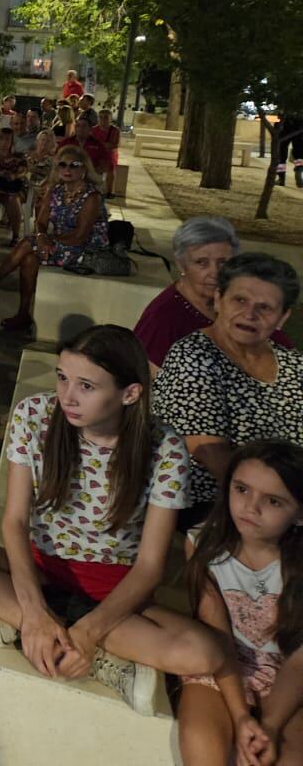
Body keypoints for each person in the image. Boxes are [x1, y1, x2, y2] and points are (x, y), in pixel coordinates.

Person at [0, 325, 221, 710]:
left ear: (130, 393)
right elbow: (14, 522)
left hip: (116, 590)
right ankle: (68, 642)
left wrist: (89, 631)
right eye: (62, 378)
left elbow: (150, 566)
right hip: (43, 568)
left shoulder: (164, 447)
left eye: (87, 386)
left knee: (204, 653)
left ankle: (21, 622)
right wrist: (34, 610)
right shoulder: (34, 416)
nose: (67, 396)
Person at [153, 253, 303, 528]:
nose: (249, 314)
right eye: (240, 300)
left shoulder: (293, 364)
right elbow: (209, 452)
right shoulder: (194, 355)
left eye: (265, 307)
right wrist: (282, 502)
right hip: (214, 502)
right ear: (219, 299)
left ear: (283, 317)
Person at [179, 441, 303, 765]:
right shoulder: (203, 543)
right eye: (242, 489)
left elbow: (299, 662)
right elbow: (216, 635)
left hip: (289, 675)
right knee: (200, 742)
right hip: (222, 665)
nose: (251, 507)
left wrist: (270, 727)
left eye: (273, 500)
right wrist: (241, 716)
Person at [0, 147, 108, 335]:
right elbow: (40, 222)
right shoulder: (55, 191)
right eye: (62, 165)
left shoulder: (92, 197)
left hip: (85, 250)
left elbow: (80, 235)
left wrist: (43, 240)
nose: (68, 169)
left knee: (26, 243)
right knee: (29, 258)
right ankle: (23, 314)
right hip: (60, 243)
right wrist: (41, 237)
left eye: (74, 165)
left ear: (84, 170)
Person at [134, 218, 293, 374]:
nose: (215, 273)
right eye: (202, 263)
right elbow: (148, 383)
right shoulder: (163, 318)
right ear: (181, 264)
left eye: (223, 262)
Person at [88, 108, 121, 196]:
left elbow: (114, 144)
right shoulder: (94, 129)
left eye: (106, 117)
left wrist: (100, 144)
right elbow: (91, 142)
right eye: (101, 117)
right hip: (96, 153)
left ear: (110, 119)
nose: (103, 120)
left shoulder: (115, 130)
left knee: (110, 171)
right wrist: (104, 145)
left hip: (109, 154)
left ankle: (109, 191)